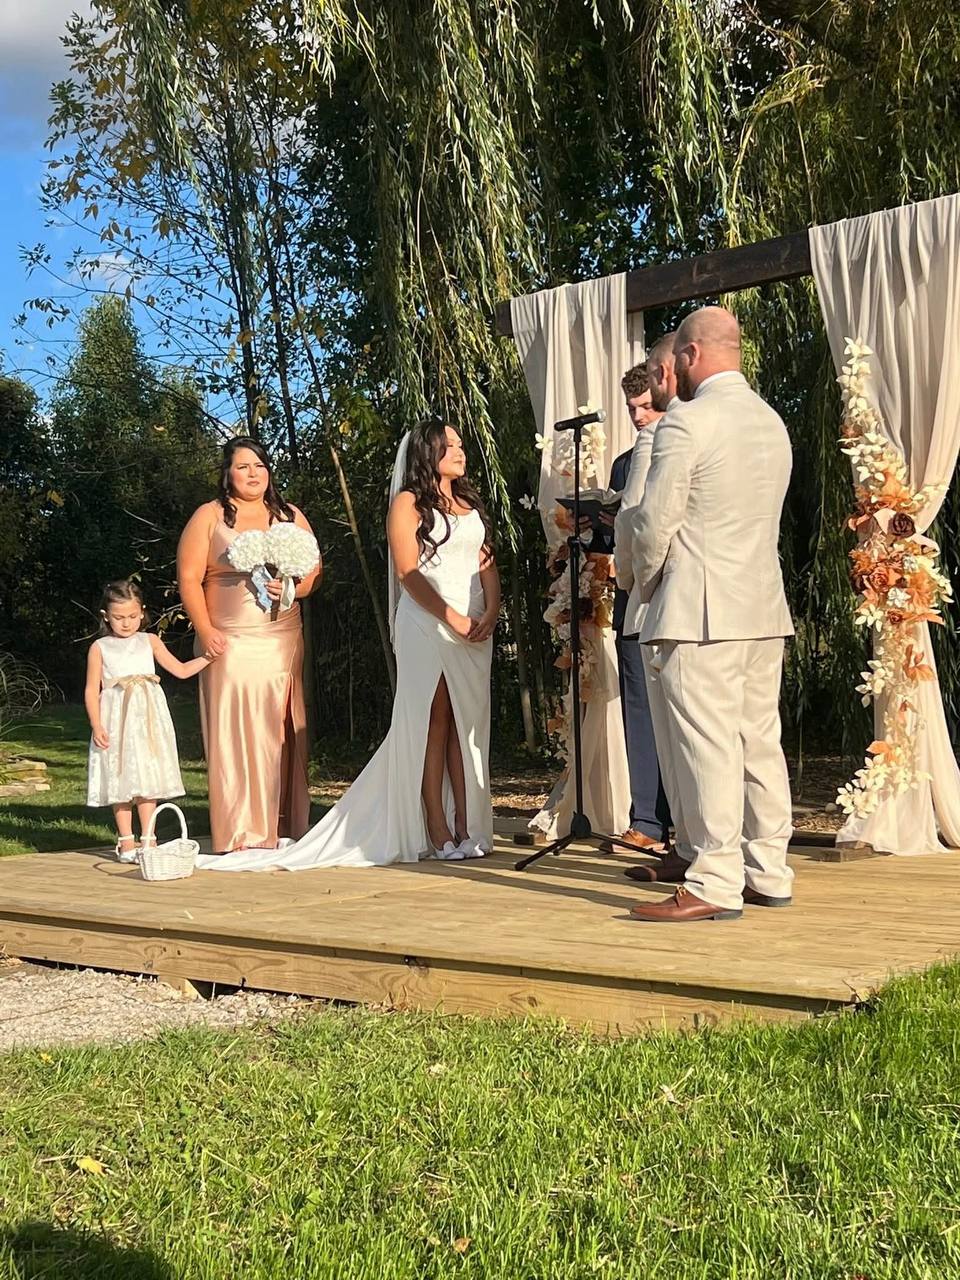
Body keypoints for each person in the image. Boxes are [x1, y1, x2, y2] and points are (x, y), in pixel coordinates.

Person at [196, 417, 500, 872]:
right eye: (450, 445)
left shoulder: (469, 501)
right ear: (427, 453)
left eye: (459, 444)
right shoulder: (408, 503)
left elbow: (486, 558)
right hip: (430, 621)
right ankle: (436, 827)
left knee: (466, 724)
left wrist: (491, 611)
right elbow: (408, 573)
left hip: (475, 625)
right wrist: (451, 615)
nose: (460, 451)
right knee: (431, 720)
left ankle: (470, 826)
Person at [623, 306, 795, 922]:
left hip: (696, 609)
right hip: (761, 605)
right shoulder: (773, 423)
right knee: (759, 742)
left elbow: (652, 524)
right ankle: (769, 869)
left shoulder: (687, 424)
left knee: (706, 747)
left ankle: (714, 880)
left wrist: (643, 581)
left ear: (690, 355)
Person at [177, 438, 322, 852]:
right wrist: (205, 631)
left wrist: (295, 585)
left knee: (280, 727)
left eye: (259, 465)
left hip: (282, 637)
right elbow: (189, 579)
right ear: (228, 473)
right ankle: (241, 830)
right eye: (243, 467)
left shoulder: (290, 516)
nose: (253, 473)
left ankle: (284, 824)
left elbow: (314, 573)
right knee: (237, 729)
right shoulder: (209, 517)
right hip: (230, 638)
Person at [85, 579, 212, 861]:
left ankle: (148, 838)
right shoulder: (100, 647)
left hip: (147, 721)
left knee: (146, 774)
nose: (127, 623)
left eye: (132, 616)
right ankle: (126, 840)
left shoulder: (149, 641)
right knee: (119, 775)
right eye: (119, 618)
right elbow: (92, 689)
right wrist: (96, 724)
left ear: (142, 612)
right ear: (106, 616)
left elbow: (179, 670)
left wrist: (208, 658)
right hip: (116, 719)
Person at [601, 359, 672, 857]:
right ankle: (644, 818)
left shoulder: (688, 449)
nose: (640, 416)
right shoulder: (624, 465)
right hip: (631, 598)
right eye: (632, 409)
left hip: (677, 595)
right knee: (639, 710)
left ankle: (683, 823)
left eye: (647, 406)